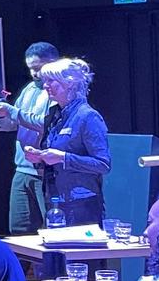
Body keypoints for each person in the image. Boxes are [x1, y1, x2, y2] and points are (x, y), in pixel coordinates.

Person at [24, 58, 110, 226]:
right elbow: (54, 157)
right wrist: (39, 158)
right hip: (55, 200)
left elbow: (103, 164)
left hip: (81, 204)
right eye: (44, 81)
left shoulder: (88, 116)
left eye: (51, 80)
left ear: (69, 83)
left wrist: (63, 158)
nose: (45, 85)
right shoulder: (54, 115)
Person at [0, 42, 61, 233]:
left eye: (38, 67)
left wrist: (12, 111)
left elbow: (46, 124)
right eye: (31, 68)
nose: (34, 73)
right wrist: (2, 114)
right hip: (22, 169)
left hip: (47, 172)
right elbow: (11, 125)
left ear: (54, 62)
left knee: (53, 229)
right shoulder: (29, 89)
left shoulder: (59, 91)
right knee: (19, 230)